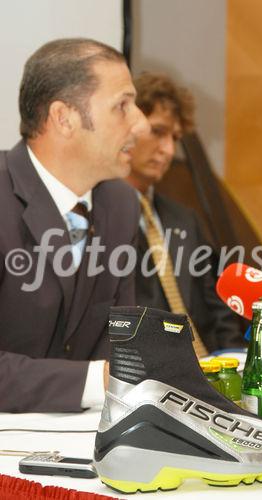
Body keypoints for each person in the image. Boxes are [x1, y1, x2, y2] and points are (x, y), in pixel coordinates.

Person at [0, 38, 149, 412]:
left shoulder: (121, 203)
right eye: (122, 106)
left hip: (83, 442)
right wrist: (96, 381)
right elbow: (110, 374)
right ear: (64, 118)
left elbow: (122, 340)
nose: (141, 123)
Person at [126, 72, 245, 354]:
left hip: (209, 371)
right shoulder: (99, 216)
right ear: (127, 128)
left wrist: (237, 364)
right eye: (158, 131)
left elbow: (219, 311)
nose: (168, 150)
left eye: (175, 137)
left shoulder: (184, 218)